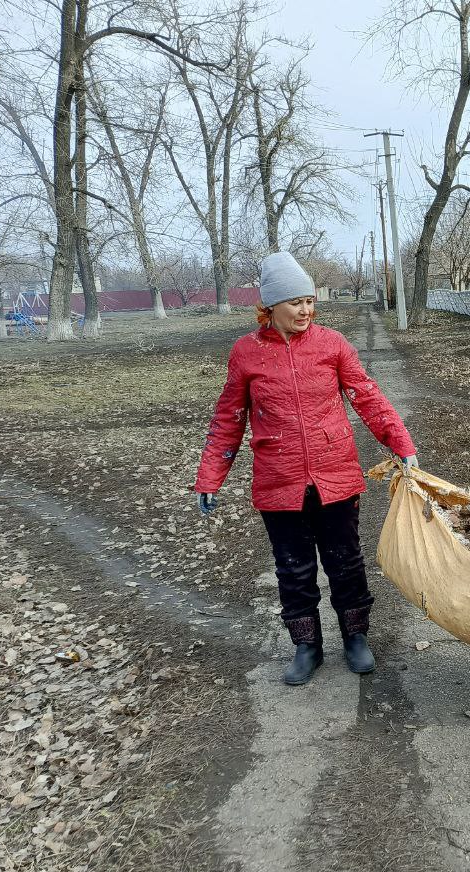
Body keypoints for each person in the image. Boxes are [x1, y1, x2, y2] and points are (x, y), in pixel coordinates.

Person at [193, 252, 418, 686]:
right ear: (270, 306)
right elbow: (228, 418)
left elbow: (366, 397)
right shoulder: (245, 353)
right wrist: (210, 477)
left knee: (346, 562)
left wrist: (400, 444)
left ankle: (355, 637)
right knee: (293, 569)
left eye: (310, 302)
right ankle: (307, 645)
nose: (305, 311)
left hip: (336, 476)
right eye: (295, 302)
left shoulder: (332, 345)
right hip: (279, 481)